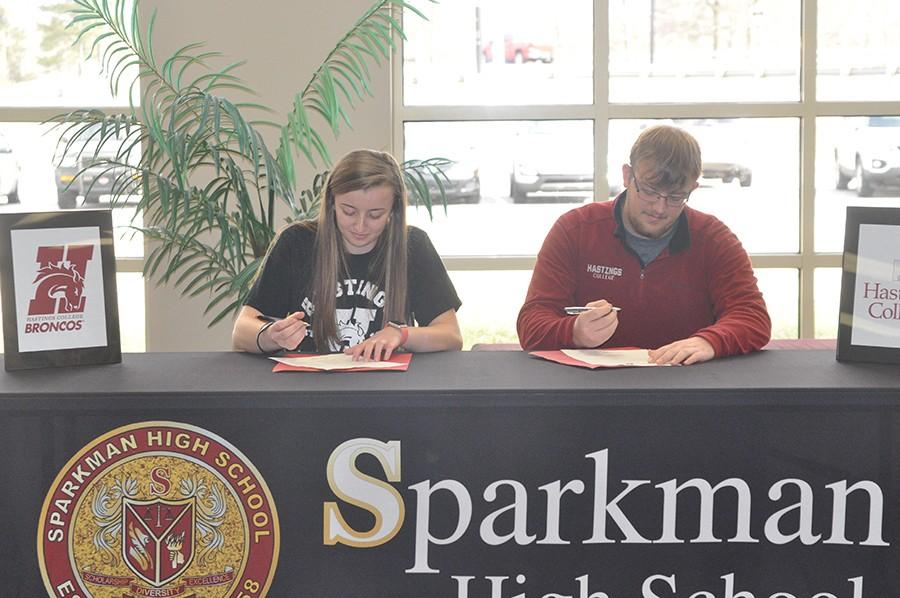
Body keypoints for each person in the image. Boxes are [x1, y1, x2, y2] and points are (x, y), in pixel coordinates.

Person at [516, 124, 770, 365]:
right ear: (627, 176)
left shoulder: (713, 238)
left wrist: (709, 342)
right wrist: (573, 331)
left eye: (675, 197)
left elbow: (752, 317)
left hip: (688, 389)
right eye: (649, 191)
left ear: (693, 188)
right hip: (590, 391)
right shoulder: (576, 229)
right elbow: (531, 324)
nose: (659, 208)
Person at [232, 149, 463, 360]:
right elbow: (242, 331)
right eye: (349, 212)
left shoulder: (413, 245)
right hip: (308, 390)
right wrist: (271, 335)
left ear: (393, 211)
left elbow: (451, 336)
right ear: (332, 203)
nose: (360, 226)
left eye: (375, 215)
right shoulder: (296, 243)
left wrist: (401, 334)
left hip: (389, 391)